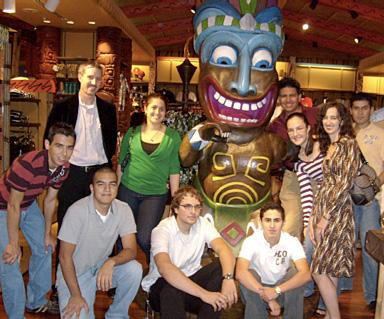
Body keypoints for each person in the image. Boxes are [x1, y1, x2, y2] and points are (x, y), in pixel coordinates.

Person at [0, 122, 75, 318]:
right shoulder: (27, 164)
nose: (64, 154)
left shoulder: (63, 168)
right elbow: (12, 206)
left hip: (28, 203)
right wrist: (14, 244)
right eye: (59, 146)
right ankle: (16, 315)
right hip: (4, 207)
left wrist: (47, 233)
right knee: (11, 259)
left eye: (69, 148)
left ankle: (35, 301)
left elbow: (50, 200)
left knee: (45, 247)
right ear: (47, 144)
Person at [57, 167, 142, 319]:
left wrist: (111, 262)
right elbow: (64, 257)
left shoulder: (123, 209)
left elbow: (131, 250)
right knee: (79, 314)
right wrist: (76, 295)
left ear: (117, 187)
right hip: (74, 273)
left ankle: (117, 315)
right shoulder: (76, 211)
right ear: (92, 188)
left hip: (101, 266)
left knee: (134, 270)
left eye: (112, 184)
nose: (107, 189)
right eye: (101, 184)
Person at [141, 186, 238, 319]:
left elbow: (224, 249)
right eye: (187, 206)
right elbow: (165, 268)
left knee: (221, 266)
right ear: (175, 209)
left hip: (191, 284)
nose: (193, 211)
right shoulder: (162, 230)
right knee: (171, 288)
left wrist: (228, 279)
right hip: (162, 287)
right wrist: (204, 294)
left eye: (197, 207)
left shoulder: (202, 223)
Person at [44, 60, 117, 232]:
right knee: (68, 221)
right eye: (90, 77)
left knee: (100, 224)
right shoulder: (62, 107)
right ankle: (64, 259)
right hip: (71, 171)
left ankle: (100, 259)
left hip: (98, 171)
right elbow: (49, 138)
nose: (94, 82)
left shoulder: (108, 109)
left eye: (98, 79)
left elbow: (111, 141)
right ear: (80, 77)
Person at [310, 101, 360, 319]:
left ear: (342, 120)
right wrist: (314, 214)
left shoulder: (348, 144)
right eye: (325, 118)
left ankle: (335, 317)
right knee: (330, 268)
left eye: (333, 117)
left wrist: (324, 218)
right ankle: (330, 316)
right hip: (324, 209)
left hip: (337, 213)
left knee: (318, 269)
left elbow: (344, 184)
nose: (328, 122)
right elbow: (324, 185)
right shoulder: (329, 146)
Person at [117, 92, 181, 261]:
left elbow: (174, 170)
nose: (157, 112)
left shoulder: (173, 137)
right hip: (127, 190)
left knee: (145, 238)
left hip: (155, 194)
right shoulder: (132, 134)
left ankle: (154, 268)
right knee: (121, 237)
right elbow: (120, 164)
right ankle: (117, 278)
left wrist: (175, 203)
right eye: (153, 107)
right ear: (145, 108)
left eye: (161, 109)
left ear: (166, 112)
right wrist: (114, 192)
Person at [236, 201, 311, 319]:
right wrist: (264, 293)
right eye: (267, 220)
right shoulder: (251, 241)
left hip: (281, 291)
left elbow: (306, 274)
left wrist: (277, 290)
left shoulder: (292, 241)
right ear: (261, 222)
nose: (272, 225)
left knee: (295, 273)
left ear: (283, 223)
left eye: (276, 220)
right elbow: (240, 273)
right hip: (256, 292)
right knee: (249, 274)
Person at [267, 77, 318, 239]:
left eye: (292, 95)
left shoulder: (315, 115)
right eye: (283, 96)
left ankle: (312, 263)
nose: (288, 100)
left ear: (299, 96)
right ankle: (291, 264)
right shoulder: (275, 126)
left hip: (319, 176)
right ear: (278, 99)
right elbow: (271, 154)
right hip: (293, 178)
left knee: (316, 227)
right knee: (291, 226)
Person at [350, 92, 383, 311]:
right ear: (351, 110)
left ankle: (371, 295)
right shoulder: (345, 132)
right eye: (356, 108)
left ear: (371, 110)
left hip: (370, 201)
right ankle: (341, 286)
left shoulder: (380, 134)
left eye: (364, 108)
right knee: (345, 245)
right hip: (346, 199)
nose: (361, 112)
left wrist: (374, 187)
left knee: (370, 247)